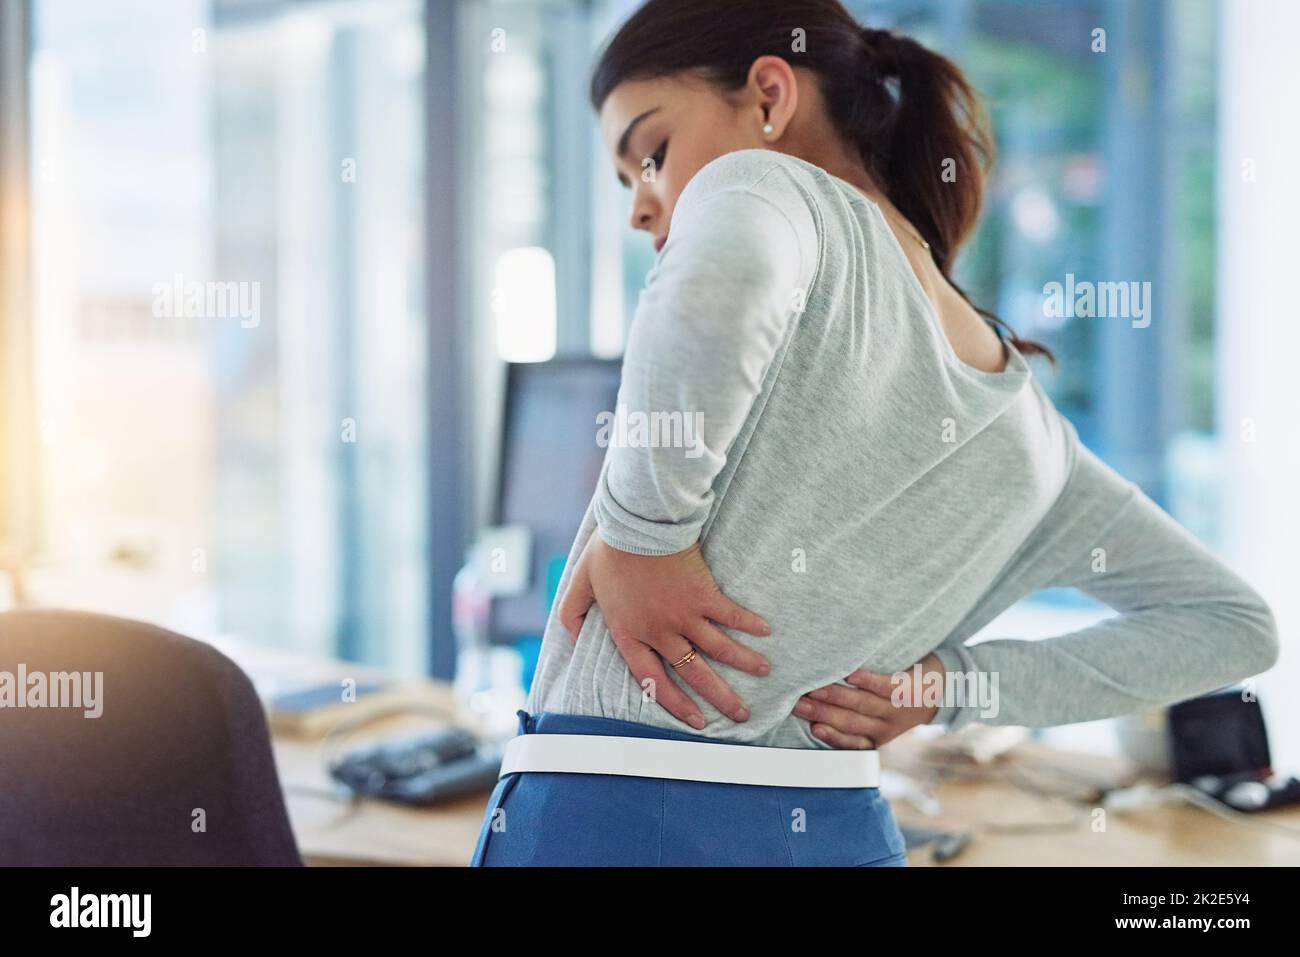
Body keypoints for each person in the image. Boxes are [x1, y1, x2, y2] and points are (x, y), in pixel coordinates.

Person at [469, 0, 1278, 866]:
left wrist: (644, 536)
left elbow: (716, 285)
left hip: (621, 813)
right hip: (842, 834)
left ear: (769, 96)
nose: (642, 207)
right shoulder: (1032, 432)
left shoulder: (761, 185)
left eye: (652, 155)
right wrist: (949, 684)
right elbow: (1231, 625)